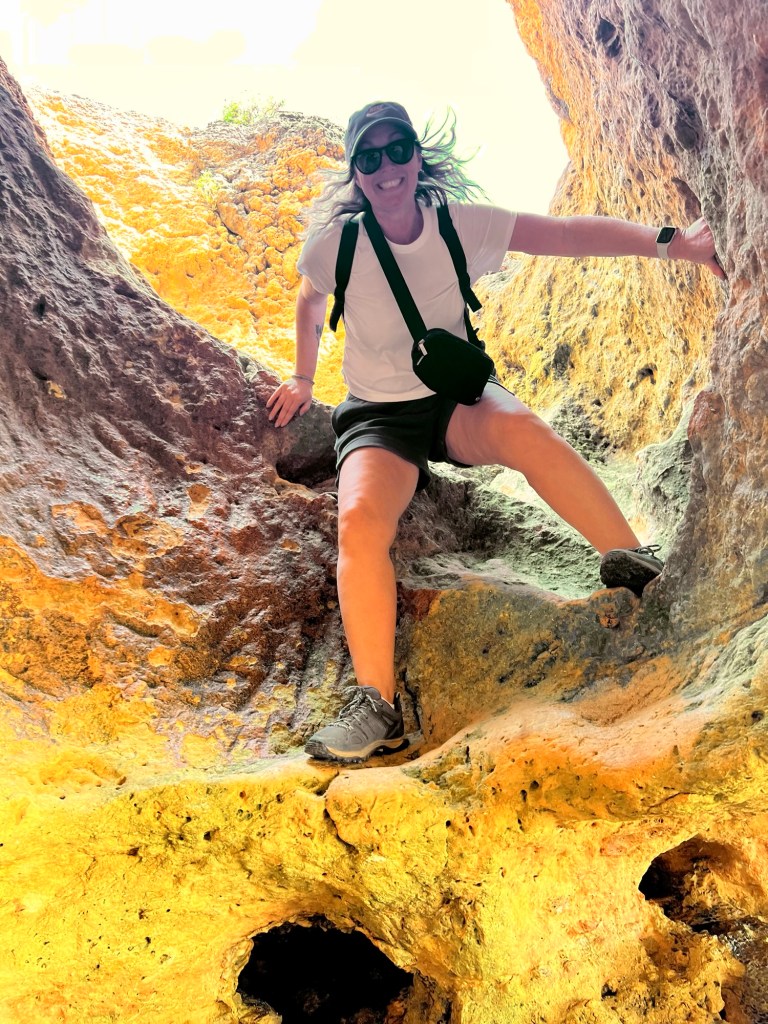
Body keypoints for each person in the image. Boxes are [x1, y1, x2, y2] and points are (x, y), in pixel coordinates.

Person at [266, 101, 725, 765]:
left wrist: (672, 243)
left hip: (455, 396)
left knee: (528, 435)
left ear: (417, 157)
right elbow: (311, 303)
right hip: (379, 415)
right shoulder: (337, 245)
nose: (387, 167)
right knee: (360, 523)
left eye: (398, 151)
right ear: (357, 172)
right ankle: (377, 707)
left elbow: (565, 234)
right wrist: (304, 379)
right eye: (370, 157)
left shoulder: (461, 225)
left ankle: (628, 557)